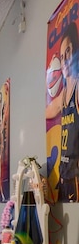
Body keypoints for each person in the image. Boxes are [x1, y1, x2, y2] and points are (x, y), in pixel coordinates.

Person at [46, 21, 79, 202]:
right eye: (62, 54)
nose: (65, 59)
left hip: (75, 178)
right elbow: (48, 111)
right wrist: (51, 75)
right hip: (63, 177)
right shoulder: (64, 94)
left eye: (69, 51)